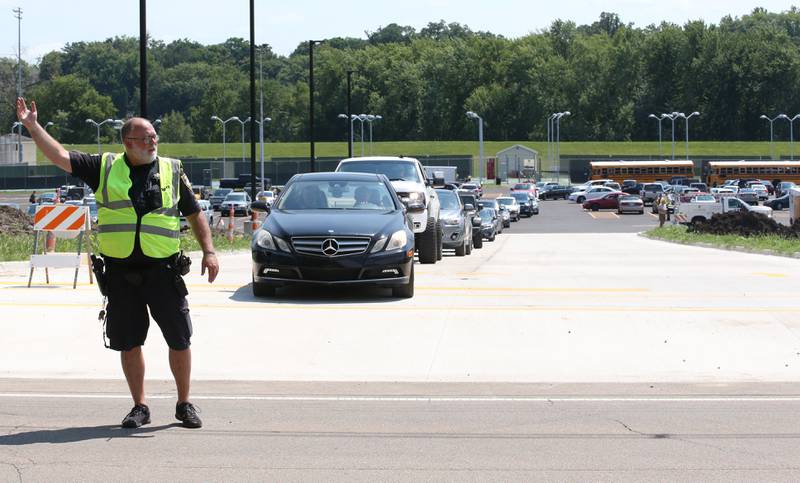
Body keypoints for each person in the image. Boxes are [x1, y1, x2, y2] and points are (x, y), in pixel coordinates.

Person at [16, 97, 219, 430]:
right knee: (129, 341)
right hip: (122, 273)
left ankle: (184, 403)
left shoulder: (171, 169)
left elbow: (195, 214)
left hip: (163, 270)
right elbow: (61, 157)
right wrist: (33, 126)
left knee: (179, 339)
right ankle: (140, 406)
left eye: (154, 136)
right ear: (128, 142)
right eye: (146, 138)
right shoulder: (105, 166)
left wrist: (209, 251)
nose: (153, 142)